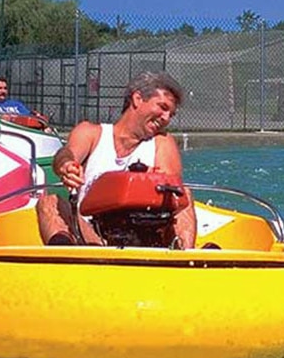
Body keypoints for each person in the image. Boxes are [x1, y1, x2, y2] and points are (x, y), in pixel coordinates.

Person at [36, 71, 197, 248]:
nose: (166, 118)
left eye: (171, 115)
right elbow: (66, 153)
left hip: (147, 235)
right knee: (49, 201)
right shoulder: (91, 133)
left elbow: (173, 193)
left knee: (185, 194)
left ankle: (185, 257)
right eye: (163, 107)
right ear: (137, 99)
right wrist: (66, 165)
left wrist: (149, 181)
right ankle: (66, 256)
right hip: (93, 235)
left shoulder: (162, 142)